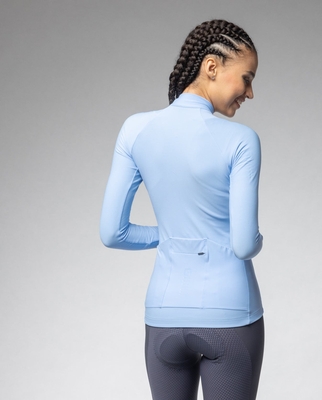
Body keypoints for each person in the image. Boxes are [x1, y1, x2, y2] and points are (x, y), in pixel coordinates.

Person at [100, 19, 264, 400]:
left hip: (163, 316)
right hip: (230, 315)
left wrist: (171, 236)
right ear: (211, 66)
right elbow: (244, 244)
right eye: (247, 78)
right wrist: (258, 239)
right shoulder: (241, 140)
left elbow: (112, 233)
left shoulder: (135, 130)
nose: (250, 92)